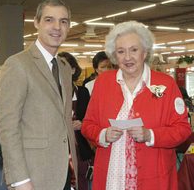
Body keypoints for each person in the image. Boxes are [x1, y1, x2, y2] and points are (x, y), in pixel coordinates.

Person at [81, 21, 191, 190]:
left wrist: (151, 135)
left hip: (154, 179)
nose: (127, 57)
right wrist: (103, 134)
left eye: (134, 50)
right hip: (112, 179)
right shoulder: (103, 82)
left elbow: (183, 129)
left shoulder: (166, 84)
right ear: (114, 56)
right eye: (121, 51)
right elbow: (87, 125)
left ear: (144, 52)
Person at [0, 0, 77, 190]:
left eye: (63, 21)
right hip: (33, 173)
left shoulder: (65, 68)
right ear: (36, 23)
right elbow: (8, 127)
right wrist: (19, 179)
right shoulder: (17, 65)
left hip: (64, 170)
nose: (57, 27)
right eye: (49, 20)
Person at [59, 52, 95, 190]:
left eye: (65, 66)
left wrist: (83, 123)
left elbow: (91, 117)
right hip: (59, 146)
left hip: (81, 145)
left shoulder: (83, 92)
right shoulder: (52, 93)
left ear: (73, 70)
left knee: (82, 179)